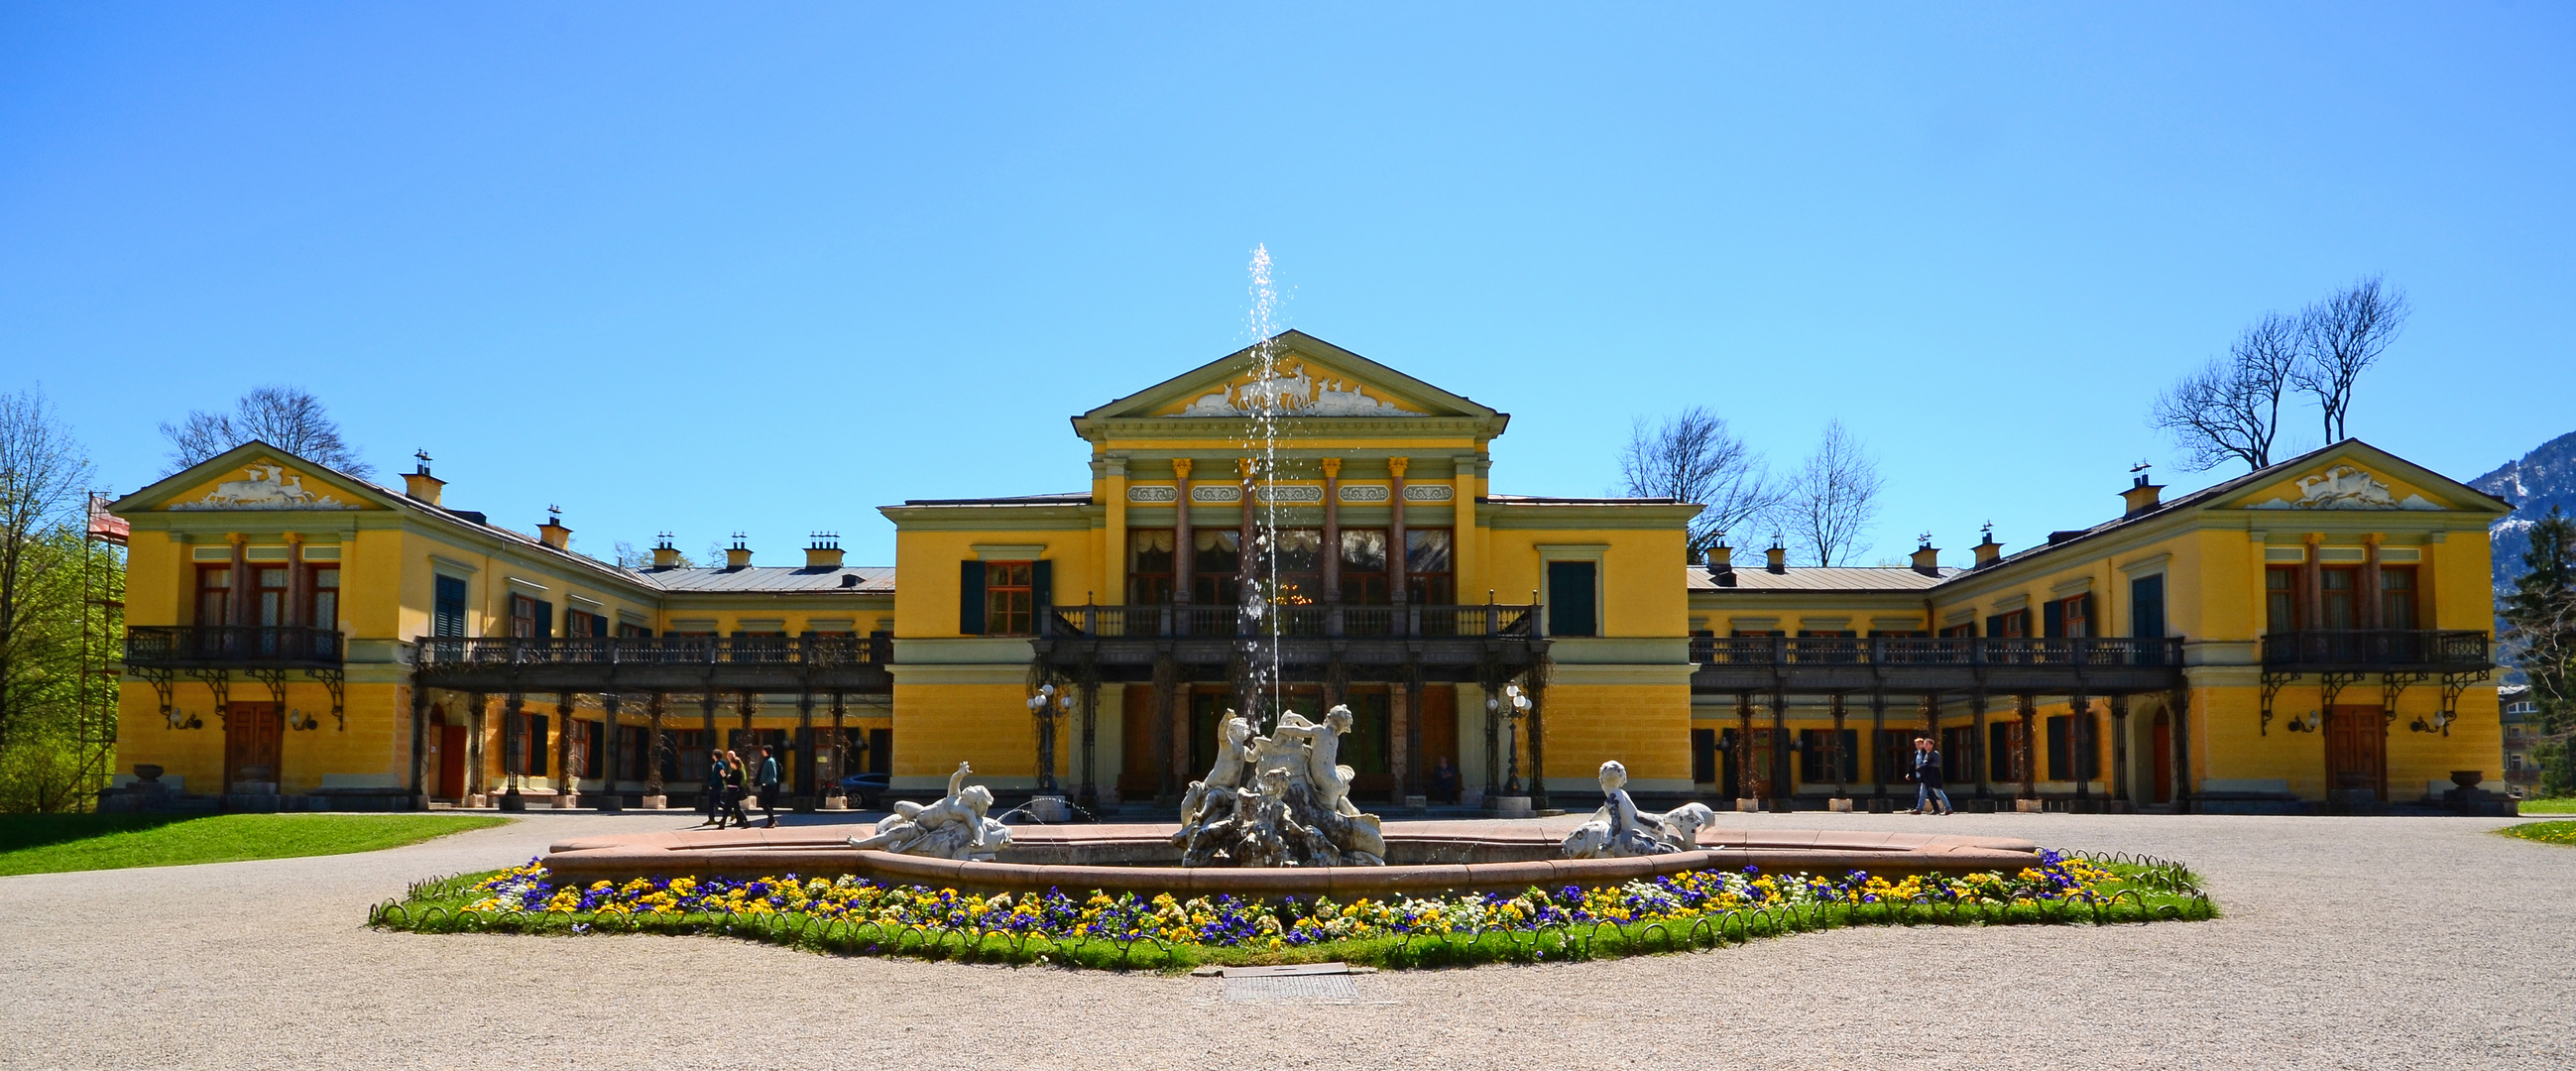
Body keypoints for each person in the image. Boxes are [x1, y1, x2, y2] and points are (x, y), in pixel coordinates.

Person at [1909, 737, 1954, 815]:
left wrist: (1925, 765)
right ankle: (1918, 809)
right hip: (1925, 776)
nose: (1925, 745)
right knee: (1922, 793)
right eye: (1924, 744)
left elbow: (1937, 764)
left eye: (1926, 744)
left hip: (1933, 776)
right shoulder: (1926, 754)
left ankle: (1949, 808)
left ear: (1931, 745)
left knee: (1939, 793)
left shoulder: (1935, 753)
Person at [753, 745, 782, 828]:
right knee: (768, 803)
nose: (761, 751)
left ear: (766, 751)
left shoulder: (770, 761)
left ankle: (772, 819)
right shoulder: (767, 760)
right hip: (767, 785)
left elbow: (773, 774)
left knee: (763, 802)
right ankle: (770, 822)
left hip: (769, 785)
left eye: (763, 750)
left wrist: (765, 782)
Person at [698, 750, 730, 827]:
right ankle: (732, 812)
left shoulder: (718, 765)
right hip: (717, 786)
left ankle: (712, 819)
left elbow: (717, 777)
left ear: (715, 756)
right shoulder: (718, 764)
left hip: (716, 787)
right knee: (718, 802)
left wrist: (712, 785)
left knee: (711, 803)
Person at [722, 749, 752, 828]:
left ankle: (722, 823)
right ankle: (746, 821)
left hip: (732, 791)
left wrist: (724, 776)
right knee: (737, 808)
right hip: (735, 791)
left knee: (727, 807)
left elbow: (730, 781)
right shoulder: (738, 772)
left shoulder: (736, 772)